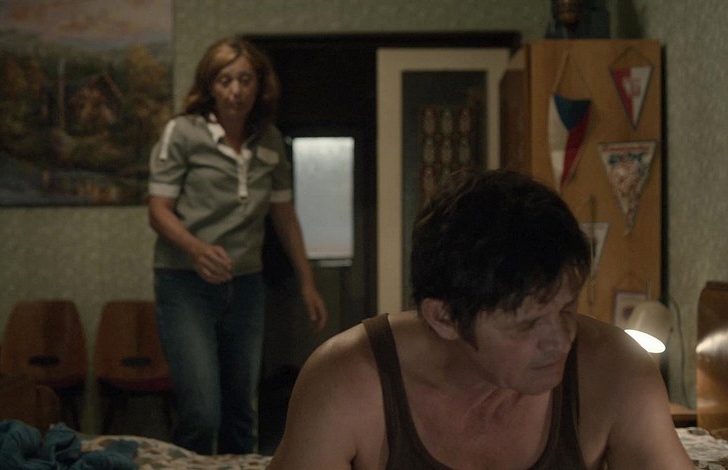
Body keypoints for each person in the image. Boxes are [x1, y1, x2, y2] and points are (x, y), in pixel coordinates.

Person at [268, 170, 691, 469]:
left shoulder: (617, 369)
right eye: (527, 324)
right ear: (444, 317)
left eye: (566, 308)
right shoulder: (346, 381)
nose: (561, 339)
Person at [147, 36, 327, 455]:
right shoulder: (183, 132)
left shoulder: (270, 141)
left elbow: (284, 215)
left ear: (259, 86)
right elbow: (158, 211)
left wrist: (307, 282)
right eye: (225, 80)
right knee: (202, 412)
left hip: (246, 285)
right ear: (210, 85)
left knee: (242, 412)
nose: (235, 90)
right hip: (184, 283)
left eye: (245, 80)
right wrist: (196, 249)